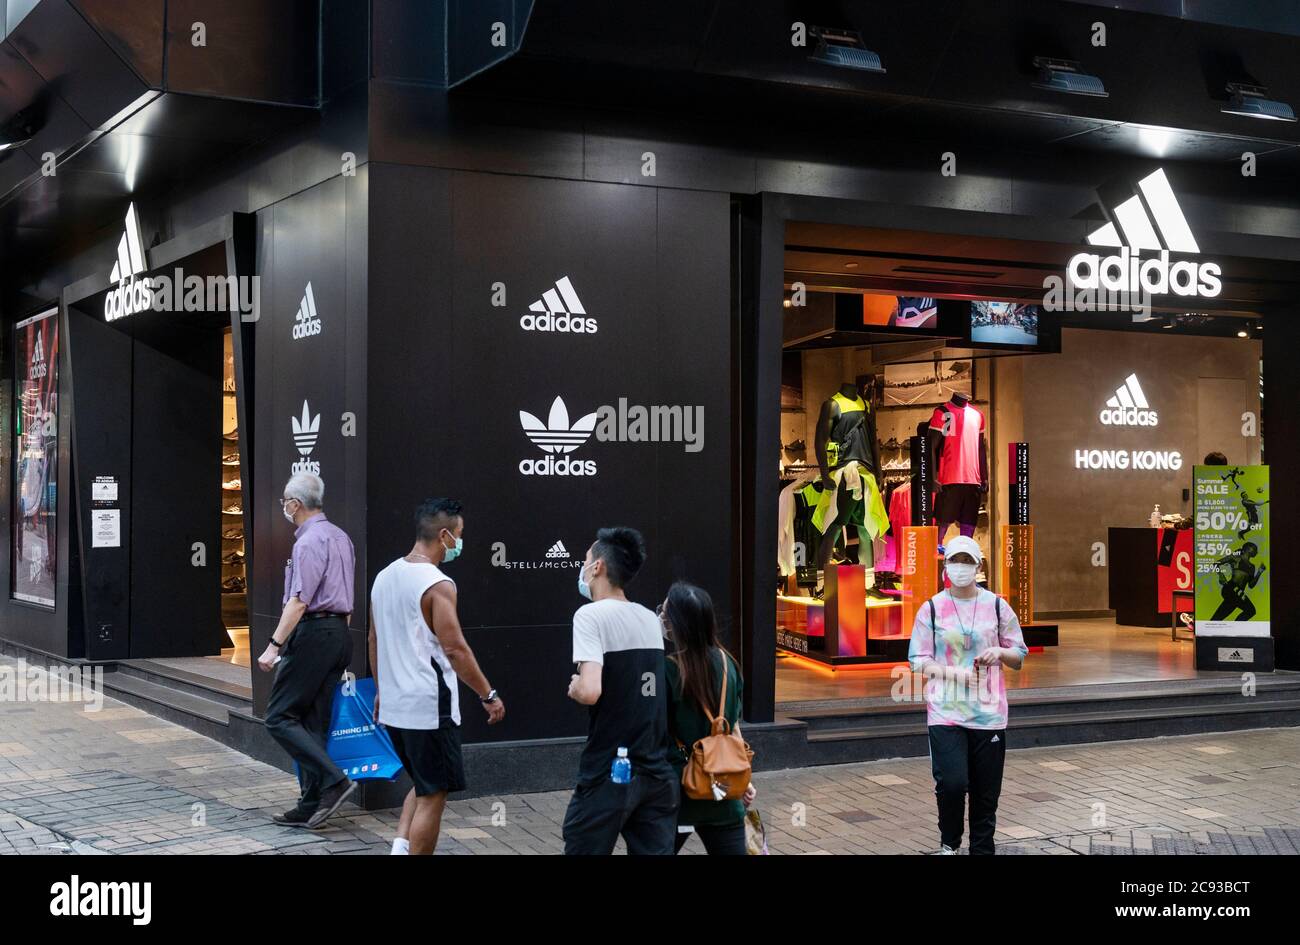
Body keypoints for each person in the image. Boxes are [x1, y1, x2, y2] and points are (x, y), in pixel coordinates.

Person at [370, 498, 505, 855]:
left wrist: (382, 691)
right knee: (433, 794)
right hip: (429, 707)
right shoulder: (438, 584)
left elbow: (373, 639)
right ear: (444, 535)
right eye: (459, 535)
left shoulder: (384, 576)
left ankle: (400, 847)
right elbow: (456, 649)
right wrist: (488, 694)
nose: (461, 542)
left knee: (422, 781)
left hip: (396, 706)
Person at [907, 535, 1027, 855]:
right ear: (945, 566)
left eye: (967, 561)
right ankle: (949, 844)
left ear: (978, 566)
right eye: (955, 561)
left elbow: (1018, 656)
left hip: (989, 714)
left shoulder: (997, 605)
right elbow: (918, 660)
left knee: (985, 792)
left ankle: (982, 849)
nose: (960, 567)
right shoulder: (932, 608)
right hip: (946, 710)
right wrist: (954, 674)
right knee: (952, 783)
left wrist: (999, 652)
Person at [562, 527, 678, 855]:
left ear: (597, 567)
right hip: (656, 770)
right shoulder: (648, 619)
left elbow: (590, 691)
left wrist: (575, 687)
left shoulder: (589, 616)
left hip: (609, 769)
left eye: (585, 561)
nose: (582, 568)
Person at [258, 473, 358, 829]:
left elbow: (300, 601)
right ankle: (311, 802)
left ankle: (334, 781)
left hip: (314, 632)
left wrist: (273, 647)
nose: (283, 506)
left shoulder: (308, 542)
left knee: (279, 717)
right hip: (338, 634)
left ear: (295, 504)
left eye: (285, 500)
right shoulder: (340, 537)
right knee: (314, 722)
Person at [659, 581, 756, 855]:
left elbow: (656, 732)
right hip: (722, 785)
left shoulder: (668, 670)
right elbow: (733, 727)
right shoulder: (728, 663)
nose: (662, 620)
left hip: (679, 787)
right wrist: (744, 778)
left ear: (676, 624)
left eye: (664, 615)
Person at [1212, 541, 1265, 621]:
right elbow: (1216, 563)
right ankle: (1234, 627)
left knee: (1219, 617)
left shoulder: (1252, 567)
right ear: (1248, 549)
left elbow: (1251, 585)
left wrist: (1259, 572)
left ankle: (1214, 624)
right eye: (1255, 549)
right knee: (1250, 610)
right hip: (1231, 587)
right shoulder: (1236, 558)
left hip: (1238, 593)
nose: (1257, 552)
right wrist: (1220, 575)